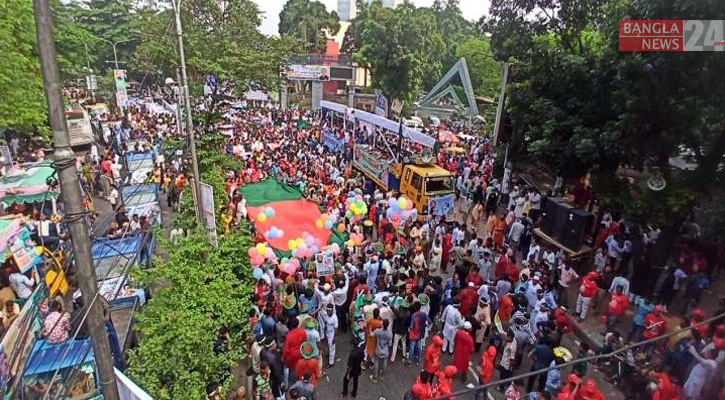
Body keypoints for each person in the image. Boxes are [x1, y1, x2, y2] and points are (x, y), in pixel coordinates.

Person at [319, 303, 338, 368]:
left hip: (332, 336)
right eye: (327, 311)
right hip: (327, 333)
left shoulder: (334, 318)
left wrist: (334, 338)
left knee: (332, 349)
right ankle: (329, 354)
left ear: (332, 311)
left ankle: (331, 363)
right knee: (329, 346)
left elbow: (336, 329)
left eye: (329, 311)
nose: (327, 312)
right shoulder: (326, 315)